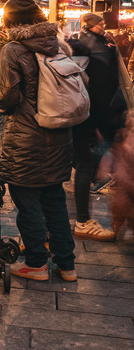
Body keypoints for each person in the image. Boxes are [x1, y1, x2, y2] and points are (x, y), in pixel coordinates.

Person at [0, 0, 76, 282]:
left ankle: (36, 263)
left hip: (26, 140)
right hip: (59, 137)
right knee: (55, 201)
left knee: (27, 204)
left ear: (9, 22)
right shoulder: (58, 46)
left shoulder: (13, 50)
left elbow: (7, 97)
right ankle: (67, 265)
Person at [68, 12, 120, 241]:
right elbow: (102, 87)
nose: (103, 26)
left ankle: (72, 220)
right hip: (89, 117)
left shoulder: (80, 46)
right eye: (100, 23)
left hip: (79, 115)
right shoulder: (98, 48)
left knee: (80, 164)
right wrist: (101, 123)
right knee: (85, 165)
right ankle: (82, 219)